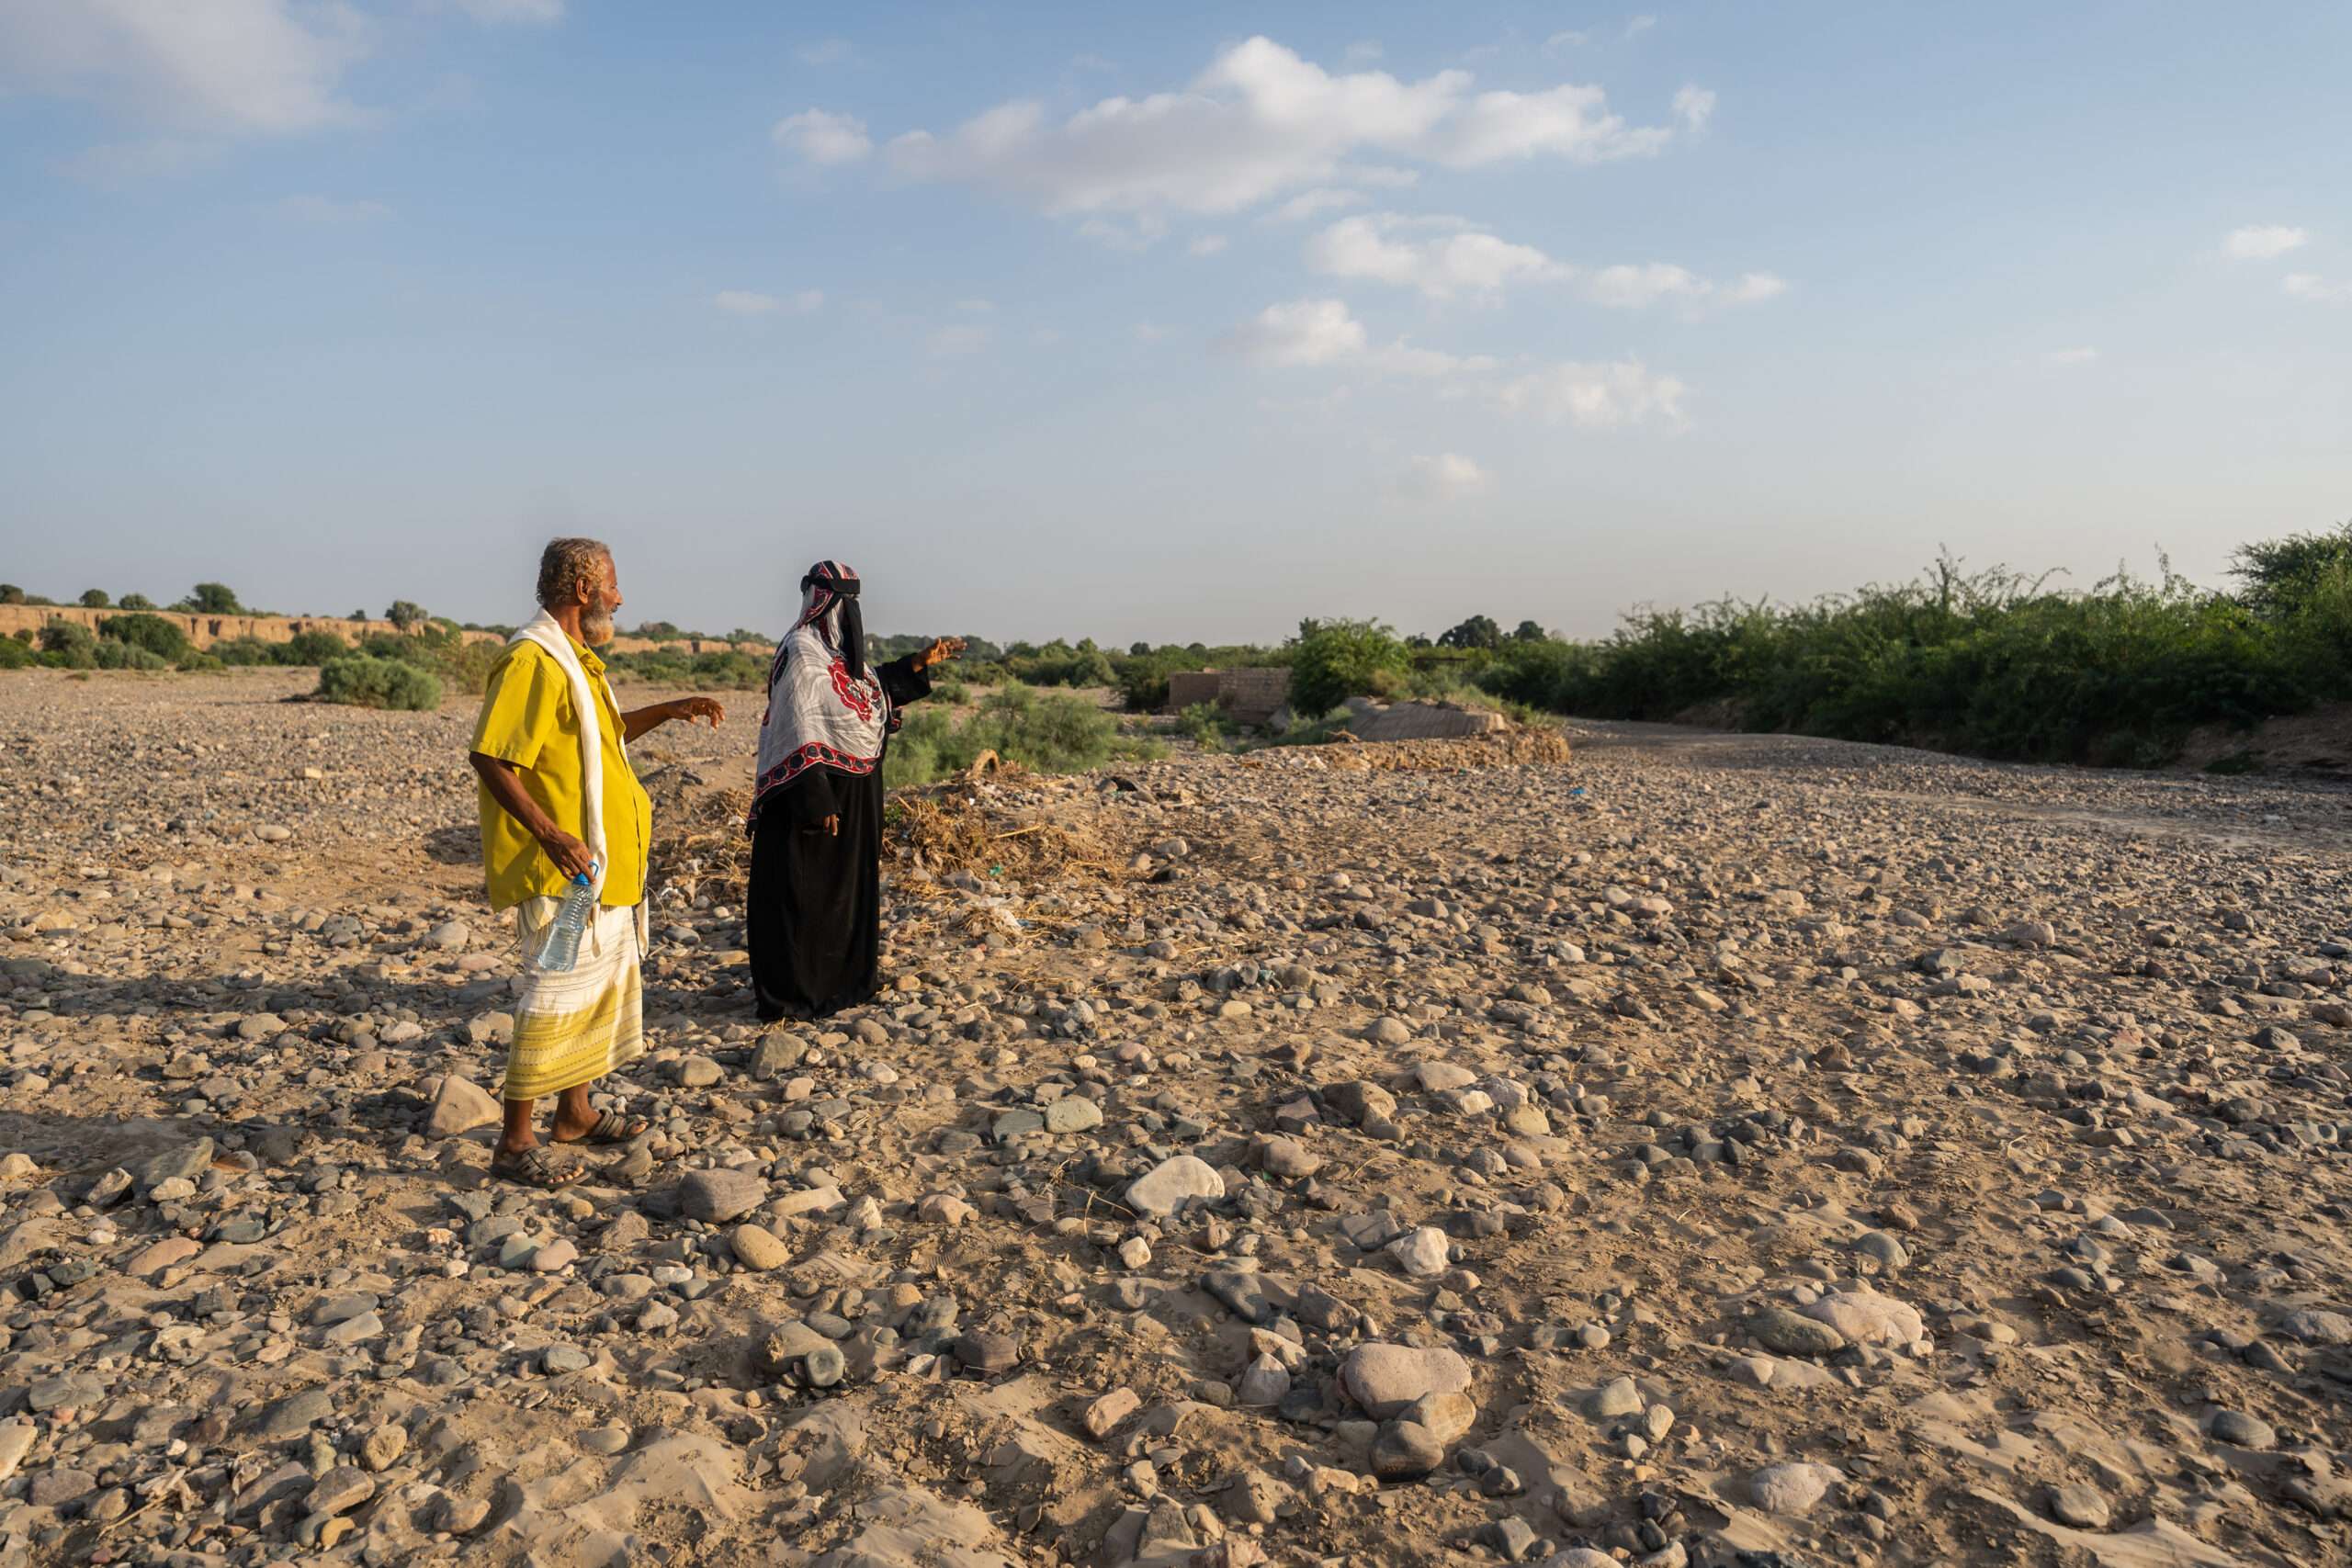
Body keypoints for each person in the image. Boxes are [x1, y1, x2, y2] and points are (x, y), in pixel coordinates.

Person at [468, 537, 724, 1188]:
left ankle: (575, 1113)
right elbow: (492, 756)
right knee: (552, 995)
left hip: (602, 868)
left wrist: (667, 710)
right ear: (583, 590)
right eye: (612, 583)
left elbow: (601, 735)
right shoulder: (532, 659)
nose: (620, 596)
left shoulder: (579, 663)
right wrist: (552, 834)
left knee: (595, 990)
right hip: (564, 867)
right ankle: (514, 1140)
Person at [746, 560, 961, 1020]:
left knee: (845, 891)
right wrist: (815, 796)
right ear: (827, 603)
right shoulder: (803, 652)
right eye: (847, 604)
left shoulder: (837, 659)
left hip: (855, 797)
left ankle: (845, 983)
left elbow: (868, 693)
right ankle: (796, 994)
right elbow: (797, 726)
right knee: (804, 892)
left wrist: (919, 663)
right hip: (814, 800)